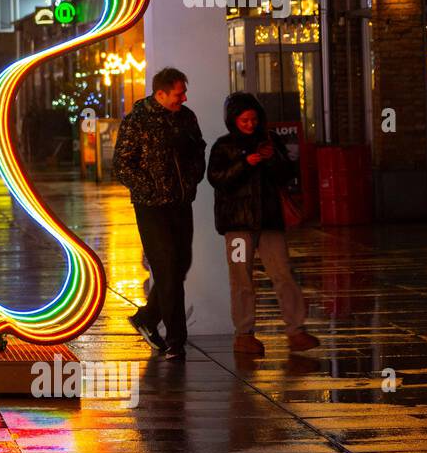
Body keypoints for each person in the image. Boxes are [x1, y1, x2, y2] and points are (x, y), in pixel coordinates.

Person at [208, 92, 319, 355]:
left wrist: (271, 159)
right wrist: (245, 163)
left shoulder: (271, 141)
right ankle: (244, 334)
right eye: (244, 120)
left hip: (269, 221)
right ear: (233, 120)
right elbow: (217, 179)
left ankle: (296, 329)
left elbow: (287, 175)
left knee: (284, 274)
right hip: (236, 224)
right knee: (241, 278)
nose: (250, 124)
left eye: (253, 119)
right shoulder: (223, 146)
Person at [111, 67, 206, 360]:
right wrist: (150, 190)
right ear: (161, 93)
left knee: (179, 266)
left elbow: (197, 152)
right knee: (166, 271)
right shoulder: (137, 121)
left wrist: (190, 182)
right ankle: (176, 341)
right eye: (179, 94)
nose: (184, 98)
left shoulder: (186, 117)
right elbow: (122, 165)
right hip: (151, 209)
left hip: (180, 203)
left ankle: (147, 318)